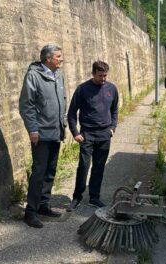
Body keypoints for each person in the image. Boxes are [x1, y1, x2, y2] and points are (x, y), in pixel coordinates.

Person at [19, 44, 66, 228]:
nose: (61, 59)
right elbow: (26, 105)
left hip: (55, 131)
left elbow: (62, 100)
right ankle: (30, 212)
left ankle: (43, 205)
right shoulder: (34, 75)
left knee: (50, 170)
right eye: (58, 56)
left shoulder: (58, 76)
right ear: (48, 59)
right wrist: (33, 129)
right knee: (39, 172)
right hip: (41, 133)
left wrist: (62, 123)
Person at [67, 61, 119, 211]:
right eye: (100, 75)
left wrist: (113, 127)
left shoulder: (111, 89)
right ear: (93, 73)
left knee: (99, 166)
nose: (103, 78)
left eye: (105, 75)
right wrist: (75, 132)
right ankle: (77, 197)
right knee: (83, 166)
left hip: (104, 134)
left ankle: (94, 197)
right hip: (87, 134)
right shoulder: (83, 89)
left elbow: (114, 110)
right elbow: (72, 113)